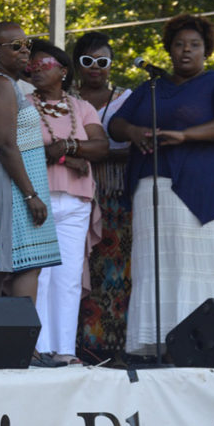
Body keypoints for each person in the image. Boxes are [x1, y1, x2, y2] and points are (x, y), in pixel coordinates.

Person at [109, 13, 214, 355]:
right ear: (168, 49)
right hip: (155, 194)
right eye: (178, 44)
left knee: (208, 266)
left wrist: (185, 135)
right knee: (163, 269)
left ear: (207, 50)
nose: (186, 51)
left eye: (194, 45)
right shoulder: (151, 88)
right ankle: (162, 342)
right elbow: (117, 123)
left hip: (210, 190)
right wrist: (134, 133)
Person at [0, 22, 60, 312]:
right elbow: (5, 144)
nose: (24, 51)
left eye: (26, 45)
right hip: (4, 184)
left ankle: (10, 346)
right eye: (15, 46)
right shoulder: (0, 85)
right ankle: (13, 346)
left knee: (16, 266)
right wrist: (31, 195)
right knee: (14, 267)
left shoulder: (3, 83)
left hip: (9, 184)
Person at [26, 40, 108, 365]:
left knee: (70, 276)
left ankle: (65, 351)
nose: (35, 70)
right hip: (38, 200)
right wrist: (68, 156)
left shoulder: (82, 107)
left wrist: (65, 149)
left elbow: (100, 147)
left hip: (76, 201)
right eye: (32, 66)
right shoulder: (24, 104)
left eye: (43, 65)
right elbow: (24, 148)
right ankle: (40, 349)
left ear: (62, 71)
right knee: (40, 276)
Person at [70, 32, 133, 357]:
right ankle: (73, 343)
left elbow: (137, 146)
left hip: (115, 196)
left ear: (111, 65)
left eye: (102, 62)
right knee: (74, 267)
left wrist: (97, 154)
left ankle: (110, 345)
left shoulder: (128, 98)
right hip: (72, 193)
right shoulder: (63, 97)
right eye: (87, 61)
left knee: (114, 272)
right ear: (76, 63)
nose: (95, 67)